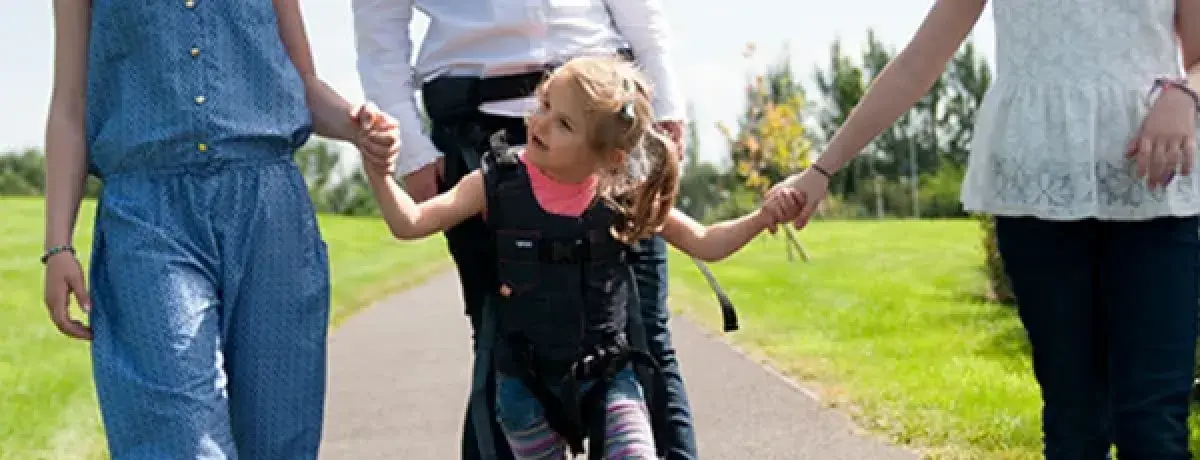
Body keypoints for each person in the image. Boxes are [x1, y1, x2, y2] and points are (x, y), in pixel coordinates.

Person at [778, 0, 1200, 458]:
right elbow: (917, 63)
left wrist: (1186, 94)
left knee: (1152, 425)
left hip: (1157, 193)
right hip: (1036, 194)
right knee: (1074, 422)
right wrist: (822, 169)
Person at [355, 55, 803, 459]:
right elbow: (409, 223)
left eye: (563, 123)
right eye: (544, 104)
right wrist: (378, 170)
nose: (539, 122)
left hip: (608, 377)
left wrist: (763, 217)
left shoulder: (620, 195)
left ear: (608, 158)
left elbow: (707, 241)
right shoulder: (494, 182)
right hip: (525, 388)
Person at [42, 1, 394, 458]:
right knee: (178, 439)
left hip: (272, 213)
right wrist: (58, 244)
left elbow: (304, 85)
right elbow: (70, 105)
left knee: (278, 438)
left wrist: (357, 125)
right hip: (148, 218)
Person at [351, 1, 700, 458]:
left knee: (644, 341)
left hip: (605, 120)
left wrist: (667, 105)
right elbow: (379, 31)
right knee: (505, 349)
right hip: (477, 131)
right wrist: (413, 152)